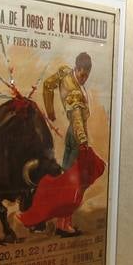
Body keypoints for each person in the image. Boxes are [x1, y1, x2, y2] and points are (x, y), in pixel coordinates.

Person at [42, 51, 92, 237]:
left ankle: (63, 222)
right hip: (76, 134)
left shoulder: (64, 73)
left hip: (72, 134)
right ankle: (64, 225)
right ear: (77, 68)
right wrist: (84, 142)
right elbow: (78, 118)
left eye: (87, 75)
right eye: (82, 74)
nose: (84, 78)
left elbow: (48, 85)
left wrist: (50, 110)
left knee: (68, 181)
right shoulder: (74, 93)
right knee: (73, 184)